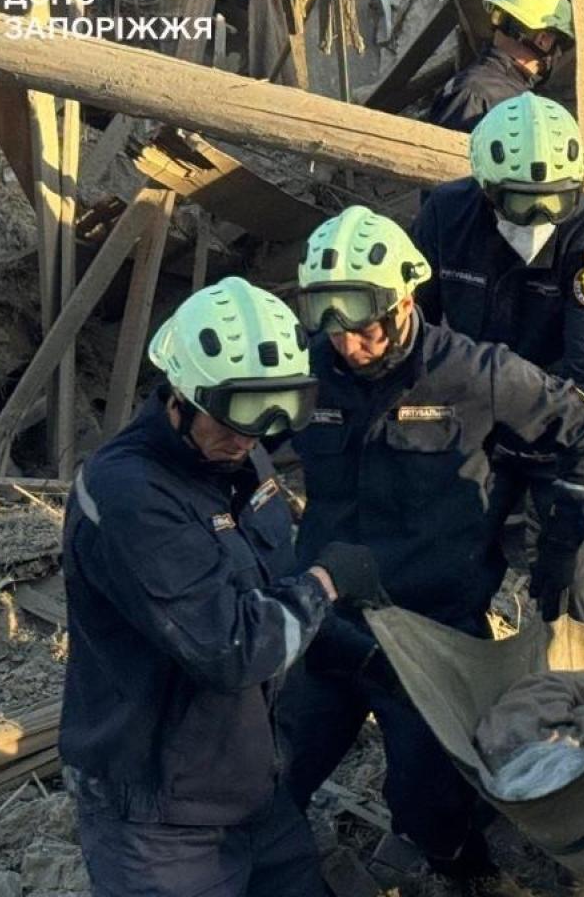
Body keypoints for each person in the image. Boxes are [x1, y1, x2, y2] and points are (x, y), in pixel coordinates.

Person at [277, 206, 584, 895]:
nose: (348, 343)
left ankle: (464, 865)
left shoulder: (473, 373)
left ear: (405, 302)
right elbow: (234, 445)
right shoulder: (305, 373)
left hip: (432, 636)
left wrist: (566, 541)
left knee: (433, 814)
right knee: (270, 779)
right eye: (330, 324)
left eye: (364, 324)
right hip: (329, 627)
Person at [60, 277, 384, 897]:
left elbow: (267, 589)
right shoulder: (130, 497)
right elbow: (231, 647)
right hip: (160, 820)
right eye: (236, 411)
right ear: (182, 395)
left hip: (252, 789)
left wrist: (359, 655)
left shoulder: (234, 456)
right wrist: (325, 582)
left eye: (274, 408)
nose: (250, 435)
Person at [414, 93, 584, 632]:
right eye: (521, 202)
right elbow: (412, 325)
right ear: (487, 189)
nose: (539, 219)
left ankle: (583, 677)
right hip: (482, 418)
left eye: (554, 202)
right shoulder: (446, 215)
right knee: (451, 569)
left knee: (574, 586)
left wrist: (567, 526)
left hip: (578, 422)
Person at [427, 0, 573, 134]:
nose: (559, 55)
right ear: (543, 40)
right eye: (560, 45)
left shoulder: (484, 91)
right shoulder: (476, 94)